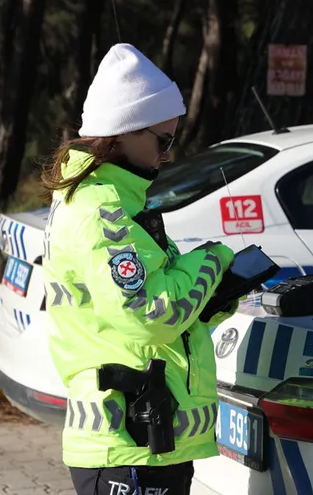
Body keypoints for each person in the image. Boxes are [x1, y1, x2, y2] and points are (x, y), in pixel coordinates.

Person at [40, 43, 237, 495]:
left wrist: (211, 300)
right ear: (122, 133)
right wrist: (213, 259)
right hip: (129, 445)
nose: (166, 155)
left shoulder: (110, 202)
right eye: (163, 141)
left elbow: (134, 309)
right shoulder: (103, 211)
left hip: (145, 441)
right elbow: (152, 314)